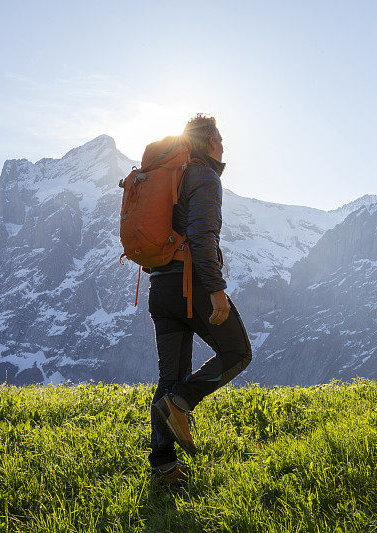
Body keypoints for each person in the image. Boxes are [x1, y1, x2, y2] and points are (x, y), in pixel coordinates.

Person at [145, 114, 253, 483]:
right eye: (220, 140)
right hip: (190, 286)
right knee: (238, 352)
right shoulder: (204, 176)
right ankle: (182, 403)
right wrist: (216, 290)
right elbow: (203, 237)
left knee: (168, 376)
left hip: (158, 288)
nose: (224, 147)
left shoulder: (167, 178)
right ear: (209, 143)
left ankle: (163, 467)